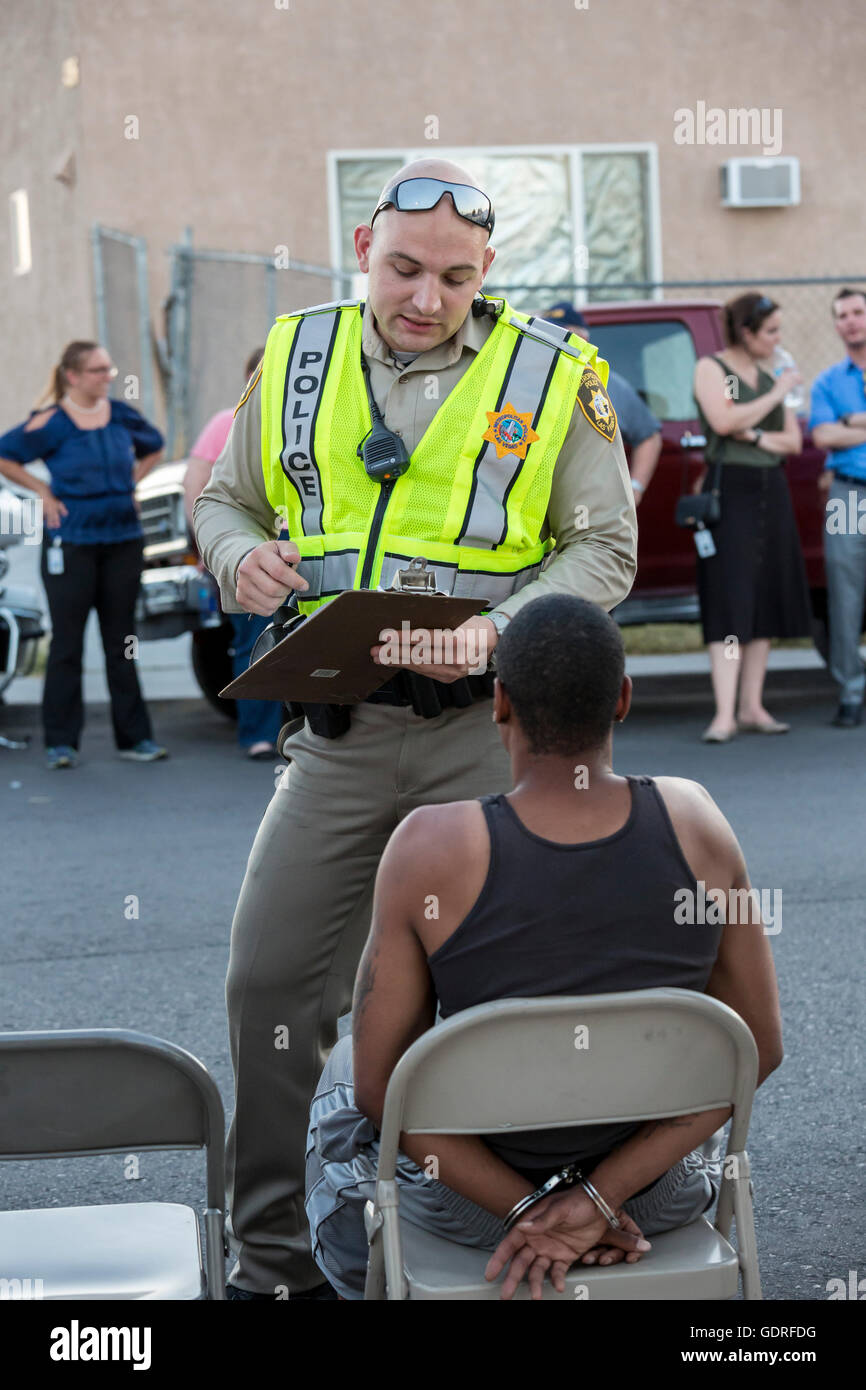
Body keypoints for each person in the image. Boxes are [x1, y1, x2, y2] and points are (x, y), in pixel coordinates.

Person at [193, 157, 638, 1298]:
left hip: (481, 733)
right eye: (400, 268)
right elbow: (222, 498)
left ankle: (504, 1232)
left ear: (487, 269)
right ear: (359, 246)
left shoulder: (553, 372)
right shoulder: (296, 350)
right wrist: (237, 554)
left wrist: (498, 630)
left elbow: (604, 549)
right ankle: (276, 1258)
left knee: (500, 991)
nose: (424, 297)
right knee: (269, 986)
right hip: (333, 733)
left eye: (451, 275)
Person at [304, 595, 784, 1300]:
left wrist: (534, 1211)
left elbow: (383, 1093)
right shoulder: (698, 824)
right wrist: (594, 1201)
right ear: (622, 699)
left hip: (473, 1206)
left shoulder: (429, 848)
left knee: (344, 1074)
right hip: (647, 1200)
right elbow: (759, 1050)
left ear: (499, 702)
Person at [0, 341, 167, 768]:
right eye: (97, 370)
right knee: (67, 646)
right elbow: (6, 454)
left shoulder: (122, 415)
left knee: (123, 642)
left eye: (110, 369)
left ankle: (136, 739)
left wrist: (131, 481)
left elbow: (155, 445)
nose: (107, 377)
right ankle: (61, 742)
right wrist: (43, 492)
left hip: (123, 542)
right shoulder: (50, 422)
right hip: (71, 544)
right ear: (73, 376)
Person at [692, 293, 811, 744]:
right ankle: (724, 714)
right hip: (731, 490)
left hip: (770, 490)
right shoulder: (714, 369)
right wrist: (776, 396)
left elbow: (792, 442)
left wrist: (756, 432)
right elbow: (723, 420)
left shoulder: (768, 373)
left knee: (764, 595)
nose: (779, 340)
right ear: (746, 332)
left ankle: (752, 705)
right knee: (730, 595)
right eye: (772, 331)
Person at [183, 348, 283, 760]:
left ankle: (298, 734)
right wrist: (213, 545)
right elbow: (196, 485)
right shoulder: (228, 421)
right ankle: (259, 735)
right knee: (254, 643)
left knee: (302, 643)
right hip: (251, 554)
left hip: (305, 551)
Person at [809, 287, 866, 728]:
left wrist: (851, 422)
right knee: (845, 598)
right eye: (842, 315)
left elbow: (837, 430)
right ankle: (851, 692)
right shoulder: (828, 381)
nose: (851, 320)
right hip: (848, 495)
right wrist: (841, 427)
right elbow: (823, 437)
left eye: (858, 312)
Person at [542, 302, 662, 505]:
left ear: (584, 339)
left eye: (561, 333)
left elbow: (649, 436)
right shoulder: (532, 379)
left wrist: (635, 488)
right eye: (547, 332)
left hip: (594, 501)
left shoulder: (607, 383)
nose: (552, 339)